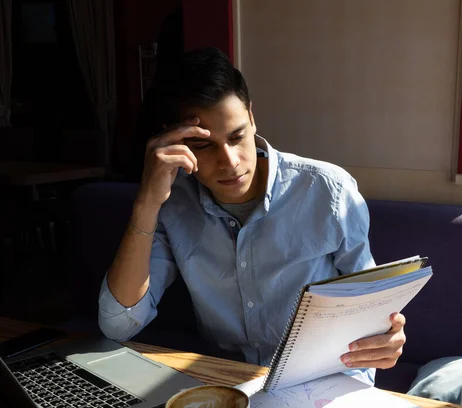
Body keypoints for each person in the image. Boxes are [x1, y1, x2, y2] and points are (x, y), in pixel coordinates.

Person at [98, 47, 406, 383]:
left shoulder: (328, 191)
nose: (230, 162)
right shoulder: (173, 202)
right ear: (175, 142)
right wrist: (146, 203)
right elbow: (118, 323)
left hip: (323, 380)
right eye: (204, 145)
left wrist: (386, 338)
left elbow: (371, 307)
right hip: (229, 382)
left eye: (237, 136)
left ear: (252, 117)